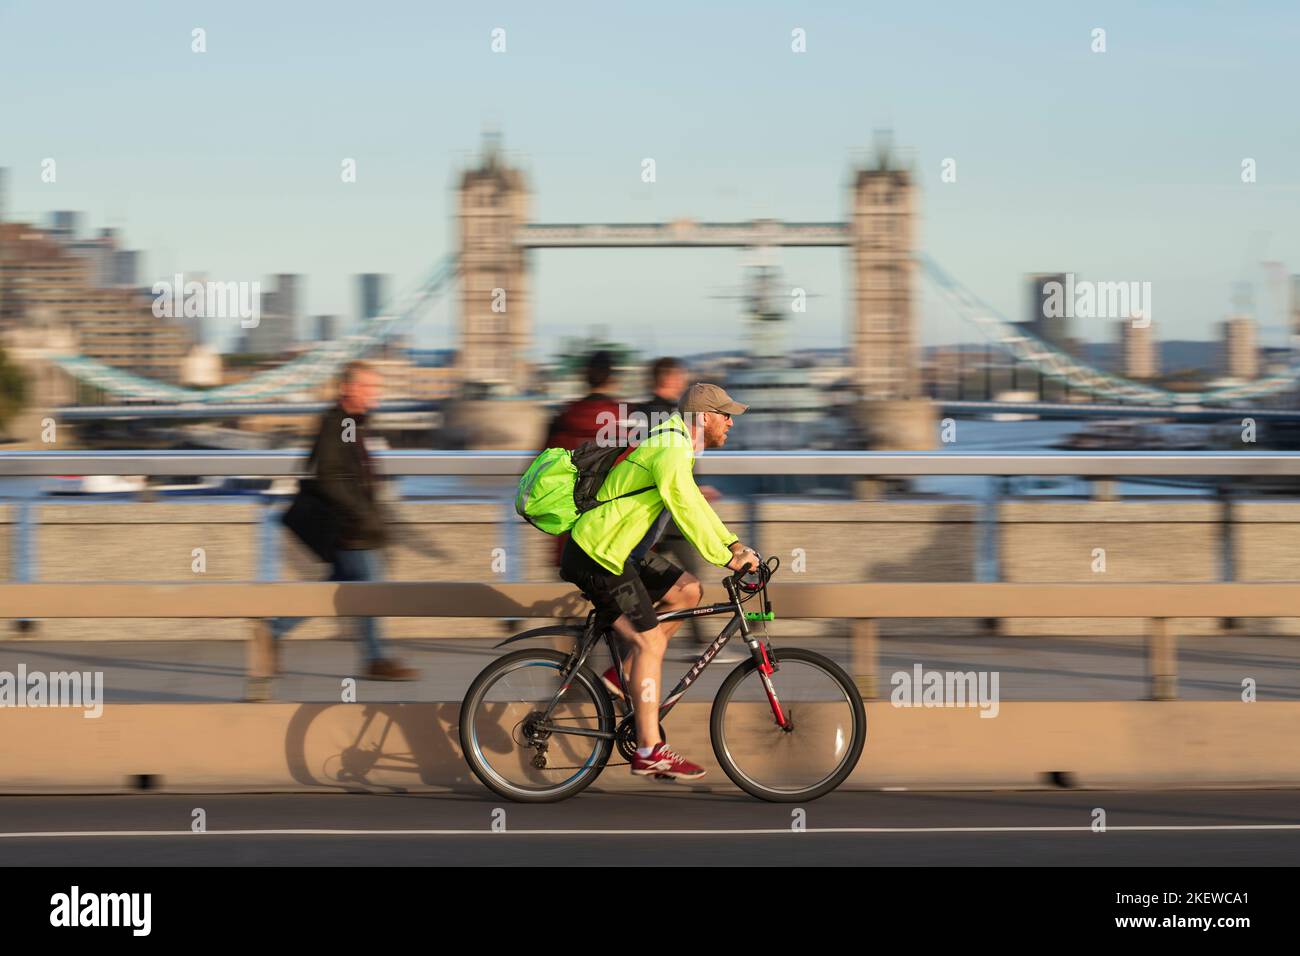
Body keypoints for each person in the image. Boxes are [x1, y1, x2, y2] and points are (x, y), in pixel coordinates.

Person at [560, 383, 761, 780]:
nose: (730, 424)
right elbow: (685, 507)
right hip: (599, 555)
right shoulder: (671, 447)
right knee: (649, 640)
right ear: (704, 417)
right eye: (726, 416)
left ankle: (623, 676)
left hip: (619, 551)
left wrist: (734, 544)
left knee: (687, 590)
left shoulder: (674, 443)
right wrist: (728, 557)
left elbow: (694, 503)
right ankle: (650, 750)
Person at [247, 360, 418, 701]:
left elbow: (349, 473)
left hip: (355, 526)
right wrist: (360, 512)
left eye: (376, 387)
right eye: (368, 387)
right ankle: (375, 658)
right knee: (369, 593)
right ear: (347, 388)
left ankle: (273, 629)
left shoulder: (351, 422)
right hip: (350, 529)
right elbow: (328, 476)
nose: (375, 393)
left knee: (332, 593)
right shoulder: (336, 423)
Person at [629, 358, 725, 649]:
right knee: (689, 580)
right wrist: (728, 553)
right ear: (668, 379)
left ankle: (672, 635)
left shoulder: (638, 413)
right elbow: (671, 472)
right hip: (666, 515)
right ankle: (689, 638)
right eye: (680, 378)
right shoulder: (671, 419)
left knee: (683, 584)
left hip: (650, 512)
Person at [542, 349, 625, 568]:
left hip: (570, 533)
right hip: (613, 533)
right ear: (612, 379)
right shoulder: (626, 421)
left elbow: (544, 475)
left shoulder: (563, 419)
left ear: (584, 378)